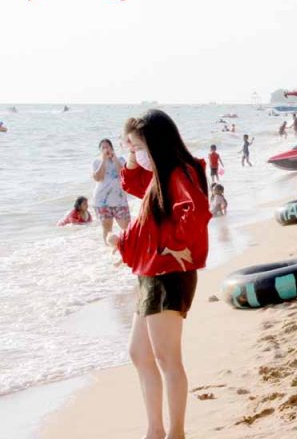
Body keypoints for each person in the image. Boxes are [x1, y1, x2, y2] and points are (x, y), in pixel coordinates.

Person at [107, 109, 211, 439]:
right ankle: (155, 431)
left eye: (139, 147)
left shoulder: (179, 172)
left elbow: (196, 212)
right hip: (154, 272)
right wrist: (131, 156)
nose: (135, 153)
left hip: (168, 273)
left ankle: (175, 434)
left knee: (168, 359)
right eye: (131, 147)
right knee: (139, 353)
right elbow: (137, 184)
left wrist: (169, 246)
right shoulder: (163, 173)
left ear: (156, 144)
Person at [92, 138, 131, 243]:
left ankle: (127, 248)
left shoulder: (120, 160)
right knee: (107, 227)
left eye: (107, 147)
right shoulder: (97, 162)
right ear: (100, 151)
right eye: (103, 148)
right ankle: (109, 249)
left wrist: (114, 159)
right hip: (102, 200)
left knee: (127, 227)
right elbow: (98, 178)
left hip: (120, 199)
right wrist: (104, 161)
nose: (106, 149)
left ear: (112, 148)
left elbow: (123, 175)